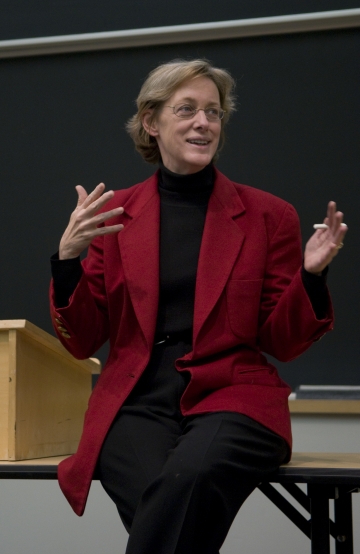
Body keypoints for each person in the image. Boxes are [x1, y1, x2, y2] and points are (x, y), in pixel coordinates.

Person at [50, 59, 347, 554]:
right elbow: (81, 341)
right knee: (164, 500)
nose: (203, 122)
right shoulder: (115, 217)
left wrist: (310, 279)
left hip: (234, 390)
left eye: (213, 111)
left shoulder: (268, 215)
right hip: (137, 398)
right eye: (186, 109)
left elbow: (281, 341)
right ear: (152, 121)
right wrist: (67, 261)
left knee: (189, 476)